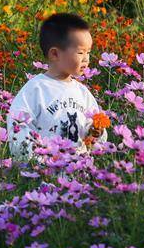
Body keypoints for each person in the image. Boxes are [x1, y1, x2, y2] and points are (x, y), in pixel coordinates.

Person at [8, 12, 108, 160]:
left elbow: (91, 133)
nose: (86, 58)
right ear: (55, 54)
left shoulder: (82, 92)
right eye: (81, 52)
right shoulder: (36, 89)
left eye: (89, 52)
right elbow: (18, 127)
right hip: (44, 172)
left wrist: (96, 131)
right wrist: (36, 160)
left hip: (78, 172)